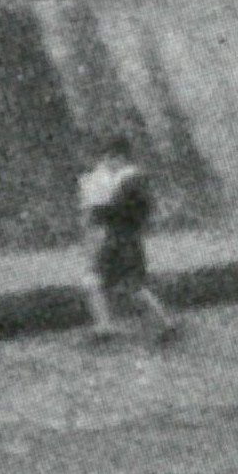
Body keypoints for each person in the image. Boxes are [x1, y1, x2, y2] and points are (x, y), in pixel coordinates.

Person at [76, 128, 178, 340]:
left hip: (122, 241)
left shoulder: (130, 182)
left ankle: (163, 323)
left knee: (125, 286)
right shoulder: (131, 180)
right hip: (123, 240)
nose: (105, 164)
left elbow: (120, 212)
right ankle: (107, 326)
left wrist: (95, 209)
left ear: (119, 157)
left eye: (108, 158)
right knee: (111, 283)